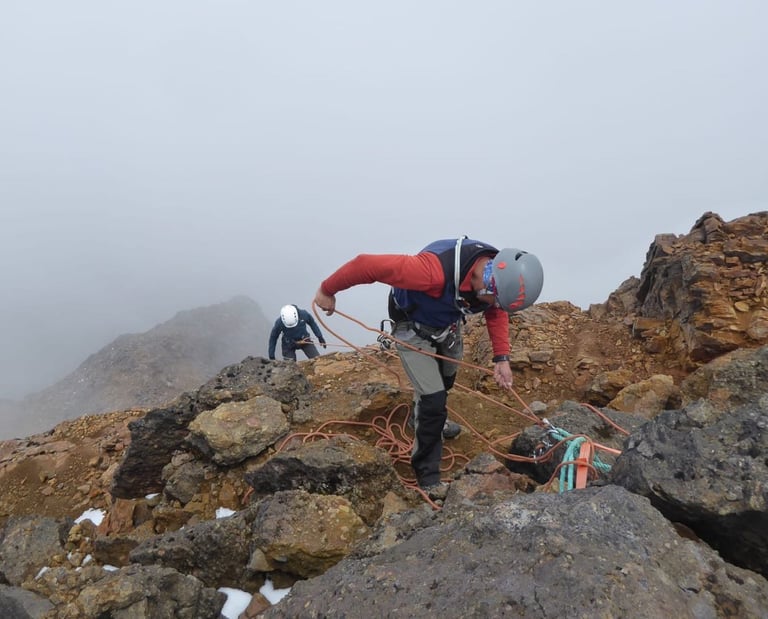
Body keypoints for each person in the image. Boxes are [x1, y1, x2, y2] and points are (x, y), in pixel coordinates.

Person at [313, 237, 543, 497]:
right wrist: (327, 290)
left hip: (447, 323)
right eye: (494, 299)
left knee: (446, 379)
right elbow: (367, 265)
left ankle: (421, 418)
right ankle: (428, 476)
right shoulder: (429, 272)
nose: (493, 307)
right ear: (488, 280)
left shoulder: (493, 277)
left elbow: (496, 311)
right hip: (411, 325)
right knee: (432, 398)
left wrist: (501, 358)